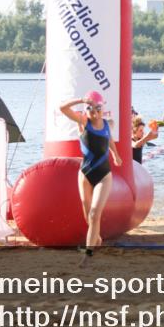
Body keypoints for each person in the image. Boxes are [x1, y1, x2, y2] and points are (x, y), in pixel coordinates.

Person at [60, 91, 122, 264]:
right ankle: (97, 239)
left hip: (104, 174)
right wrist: (81, 100)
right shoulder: (83, 122)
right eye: (90, 108)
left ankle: (88, 255)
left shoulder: (108, 123)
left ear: (103, 108)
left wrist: (116, 155)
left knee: (95, 214)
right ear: (85, 110)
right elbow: (62, 108)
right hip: (85, 174)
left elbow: (109, 140)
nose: (94, 111)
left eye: (98, 107)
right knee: (88, 215)